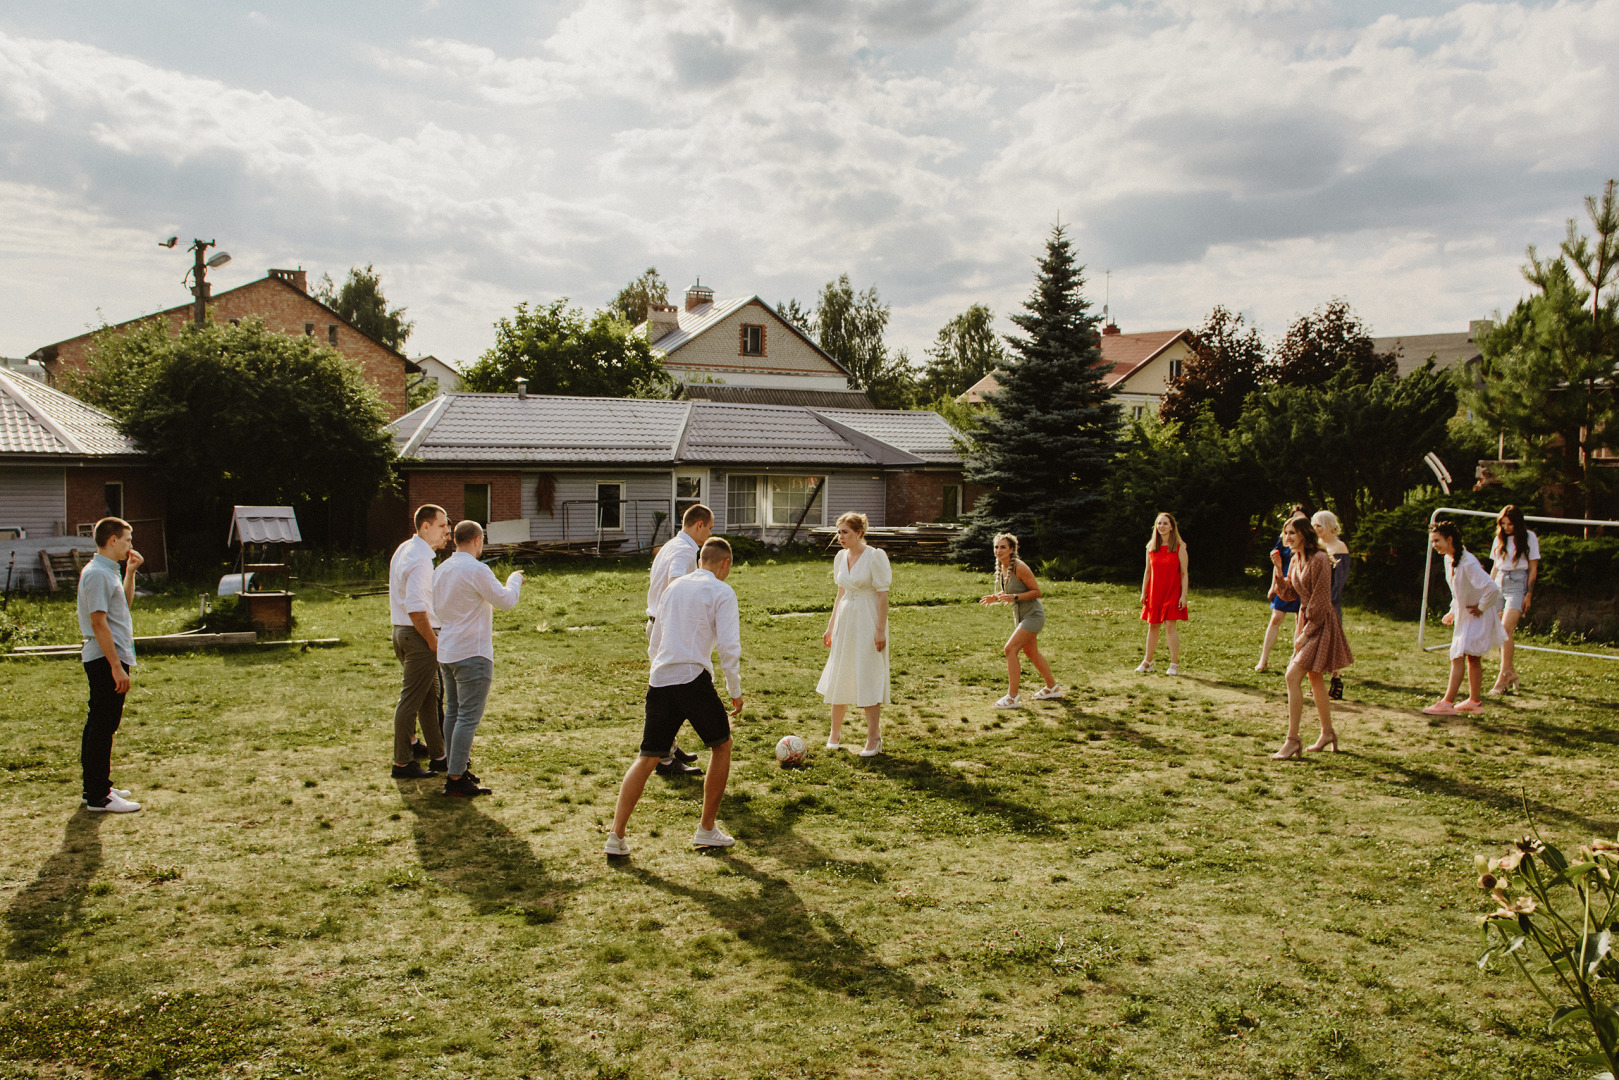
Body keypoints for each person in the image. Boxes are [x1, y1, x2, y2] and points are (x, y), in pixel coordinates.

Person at [606, 537, 743, 856]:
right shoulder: (723, 591)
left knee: (647, 757)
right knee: (722, 747)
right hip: (692, 678)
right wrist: (735, 691)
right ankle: (707, 829)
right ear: (725, 564)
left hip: (661, 678)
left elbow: (656, 638)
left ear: (699, 561)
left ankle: (616, 836)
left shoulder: (673, 589)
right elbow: (728, 647)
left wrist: (658, 670)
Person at [432, 520, 524, 797]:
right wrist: (515, 580)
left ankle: (454, 765)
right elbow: (506, 601)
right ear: (477, 540)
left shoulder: (440, 570)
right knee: (468, 717)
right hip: (472, 651)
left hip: (447, 649)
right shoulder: (476, 569)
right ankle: (456, 778)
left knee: (454, 711)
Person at [1270, 514, 1354, 759]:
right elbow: (1287, 594)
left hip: (1321, 623)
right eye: (1285, 533)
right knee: (1315, 679)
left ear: (1304, 534)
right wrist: (1277, 568)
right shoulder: (1296, 559)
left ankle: (1292, 739)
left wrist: (1305, 634)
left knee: (1292, 676)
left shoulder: (1319, 559)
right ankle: (1328, 733)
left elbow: (1320, 600)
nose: (1287, 538)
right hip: (1306, 619)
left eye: (1292, 533)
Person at [77, 517, 143, 813]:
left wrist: (129, 572)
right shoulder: (96, 574)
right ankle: (99, 796)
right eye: (127, 540)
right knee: (103, 725)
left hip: (111, 656)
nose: (131, 546)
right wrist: (116, 666)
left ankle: (95, 786)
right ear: (112, 540)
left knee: (102, 723)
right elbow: (98, 622)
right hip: (105, 658)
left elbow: (121, 609)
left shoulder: (109, 571)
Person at [645, 504, 713, 777]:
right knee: (672, 694)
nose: (709, 533)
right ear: (698, 525)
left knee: (670, 692)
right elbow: (675, 582)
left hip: (657, 623)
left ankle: (670, 747)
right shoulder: (685, 551)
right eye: (709, 528)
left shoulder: (672, 544)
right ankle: (664, 759)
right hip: (667, 628)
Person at [817, 512, 891, 756]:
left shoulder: (875, 557)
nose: (840, 537)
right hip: (846, 619)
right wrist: (830, 626)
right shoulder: (840, 557)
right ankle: (834, 733)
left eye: (845, 532)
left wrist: (880, 630)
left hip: (868, 619)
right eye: (838, 532)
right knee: (841, 671)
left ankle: (874, 737)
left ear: (859, 533)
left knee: (866, 672)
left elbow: (882, 595)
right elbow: (840, 593)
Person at [388, 504, 451, 779]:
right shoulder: (420, 559)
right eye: (442, 526)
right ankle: (402, 762)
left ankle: (439, 755)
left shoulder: (406, 548)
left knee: (430, 695)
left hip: (403, 632)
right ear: (425, 526)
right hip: (418, 635)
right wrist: (432, 640)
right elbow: (415, 606)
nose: (447, 531)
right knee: (411, 700)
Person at [1423, 520, 1505, 716]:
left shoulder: (1467, 562)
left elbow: (1492, 588)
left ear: (1449, 539)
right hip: (1466, 616)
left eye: (1437, 541)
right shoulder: (1449, 560)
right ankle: (1475, 702)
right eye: (1432, 541)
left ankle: (1447, 702)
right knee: (1472, 658)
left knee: (1458, 655)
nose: (1434, 545)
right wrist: (1453, 611)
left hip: (1477, 616)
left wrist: (1481, 607)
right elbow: (1457, 592)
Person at [980, 533, 1061, 707]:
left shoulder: (1020, 567)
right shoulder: (1003, 567)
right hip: (1021, 616)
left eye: (1003, 547)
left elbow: (1037, 592)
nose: (998, 550)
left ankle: (1012, 697)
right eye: (996, 547)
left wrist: (1014, 597)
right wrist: (996, 597)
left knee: (1010, 649)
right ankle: (1052, 688)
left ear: (1011, 549)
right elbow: (1010, 592)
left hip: (1033, 616)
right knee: (1031, 652)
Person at [1488, 504, 1539, 695]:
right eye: (1503, 524)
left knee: (1506, 629)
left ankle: (1502, 678)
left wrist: (1529, 594)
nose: (1507, 527)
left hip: (1518, 583)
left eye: (1510, 524)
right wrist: (1488, 589)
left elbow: (1533, 568)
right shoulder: (1498, 539)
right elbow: (1494, 567)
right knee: (1500, 633)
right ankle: (1510, 672)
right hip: (1499, 582)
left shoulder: (1529, 537)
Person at [1136, 512, 1189, 675]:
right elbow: (1148, 571)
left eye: (1165, 523)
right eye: (1159, 523)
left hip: (1172, 591)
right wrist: (1144, 592)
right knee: (1153, 626)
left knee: (1170, 625)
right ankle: (1148, 661)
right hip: (1154, 592)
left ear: (1172, 527)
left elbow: (1184, 573)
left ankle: (1174, 664)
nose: (1161, 526)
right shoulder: (1151, 547)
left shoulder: (1179, 547)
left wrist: (1183, 595)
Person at [1256, 504, 1307, 672]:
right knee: (1276, 618)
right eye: (1295, 517)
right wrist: (1273, 586)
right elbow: (1276, 562)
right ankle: (1263, 659)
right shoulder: (1285, 538)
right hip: (1284, 581)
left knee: (1300, 623)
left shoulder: (1309, 542)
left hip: (1302, 583)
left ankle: (1295, 659)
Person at [1311, 510, 1351, 700]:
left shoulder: (1339, 546)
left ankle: (1336, 682)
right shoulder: (1317, 546)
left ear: (1328, 525)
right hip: (1316, 601)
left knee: (1332, 644)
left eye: (1318, 525)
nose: (1315, 528)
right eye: (1314, 525)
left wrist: (1328, 603)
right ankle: (1317, 685)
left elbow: (1338, 582)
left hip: (1330, 603)